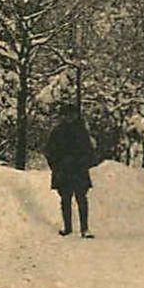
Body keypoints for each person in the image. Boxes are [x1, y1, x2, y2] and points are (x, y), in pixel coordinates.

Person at [44, 102, 95, 238]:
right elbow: (49, 151)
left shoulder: (81, 131)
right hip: (64, 170)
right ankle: (67, 227)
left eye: (72, 115)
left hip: (78, 170)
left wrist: (84, 163)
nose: (69, 118)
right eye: (67, 115)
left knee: (81, 199)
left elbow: (89, 151)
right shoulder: (57, 132)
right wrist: (55, 166)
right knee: (65, 199)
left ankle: (84, 228)